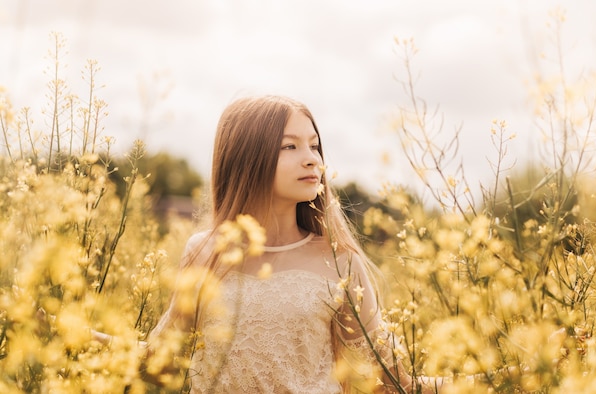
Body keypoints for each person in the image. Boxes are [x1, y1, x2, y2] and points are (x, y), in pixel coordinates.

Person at [94, 95, 437, 393]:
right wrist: (76, 335)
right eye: (290, 146)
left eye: (314, 146)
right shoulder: (204, 253)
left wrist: (483, 381)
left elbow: (390, 383)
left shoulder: (339, 261)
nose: (312, 159)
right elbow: (163, 362)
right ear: (247, 157)